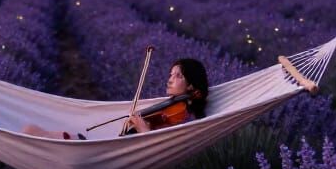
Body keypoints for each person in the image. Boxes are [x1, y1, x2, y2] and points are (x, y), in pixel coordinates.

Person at [21, 58, 210, 139]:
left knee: (32, 133)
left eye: (178, 76)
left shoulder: (184, 117)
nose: (170, 80)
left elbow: (163, 147)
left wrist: (143, 128)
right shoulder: (172, 107)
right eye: (170, 74)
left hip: (95, 156)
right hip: (102, 146)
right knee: (29, 129)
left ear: (192, 86)